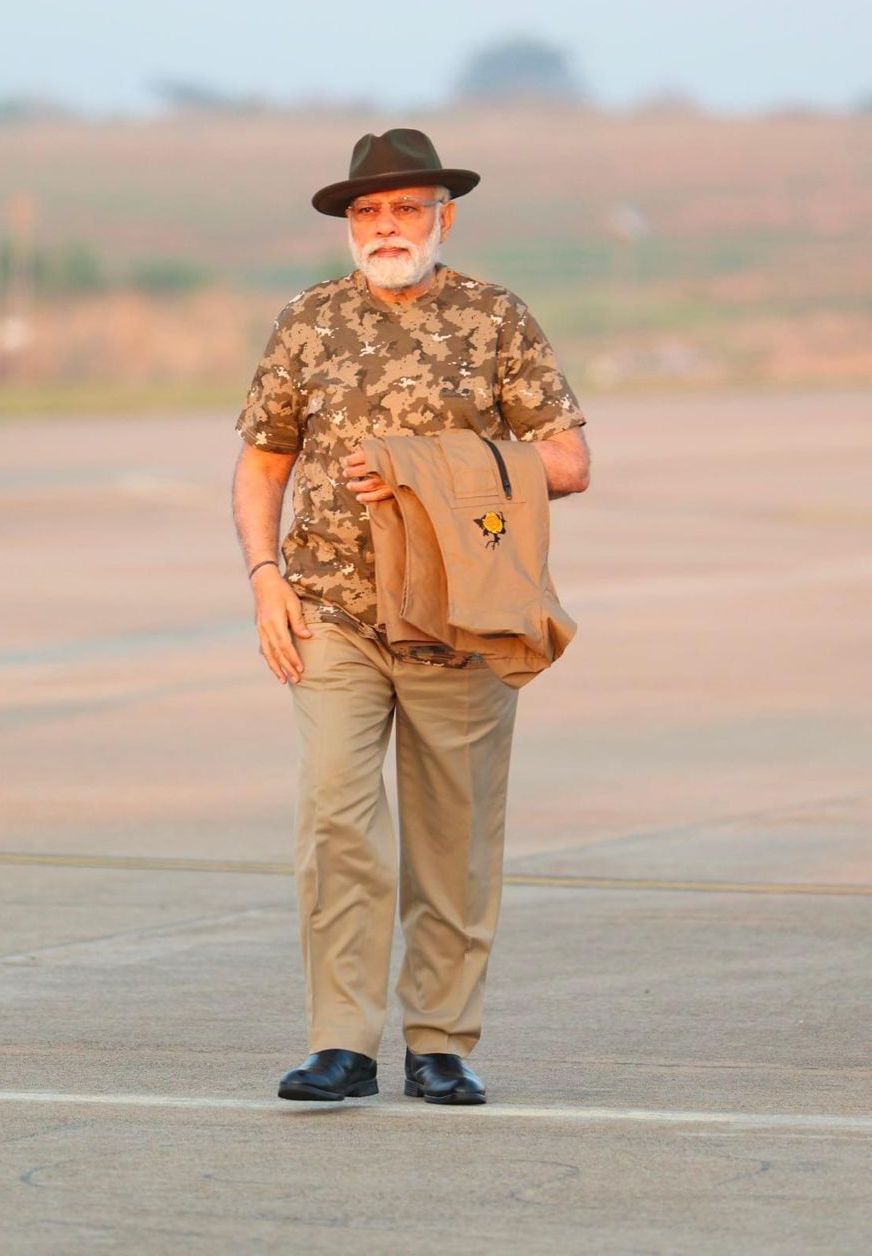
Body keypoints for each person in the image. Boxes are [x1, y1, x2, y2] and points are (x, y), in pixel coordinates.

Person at [231, 127, 590, 1105]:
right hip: (330, 616)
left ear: (443, 213)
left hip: (458, 620)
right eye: (366, 211)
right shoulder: (306, 322)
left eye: (403, 207)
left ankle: (438, 1040)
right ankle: (340, 1042)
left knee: (453, 835)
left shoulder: (492, 320)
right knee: (335, 821)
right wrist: (266, 578)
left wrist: (424, 472)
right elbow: (262, 462)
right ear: (348, 223)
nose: (383, 225)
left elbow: (566, 462)